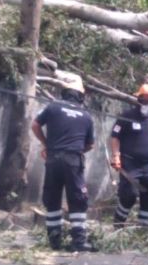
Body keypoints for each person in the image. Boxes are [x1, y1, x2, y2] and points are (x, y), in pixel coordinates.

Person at [31, 75, 96, 252]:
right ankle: (79, 241)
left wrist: (46, 145)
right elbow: (90, 144)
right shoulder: (86, 116)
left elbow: (35, 125)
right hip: (73, 160)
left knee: (52, 198)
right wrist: (75, 151)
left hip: (52, 158)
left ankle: (54, 241)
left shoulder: (53, 107)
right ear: (80, 95)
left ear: (65, 92)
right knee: (78, 200)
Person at [111, 83, 148, 227]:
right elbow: (115, 137)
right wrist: (116, 156)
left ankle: (144, 229)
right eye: (146, 99)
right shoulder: (126, 116)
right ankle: (118, 223)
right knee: (129, 195)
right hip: (130, 164)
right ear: (139, 99)